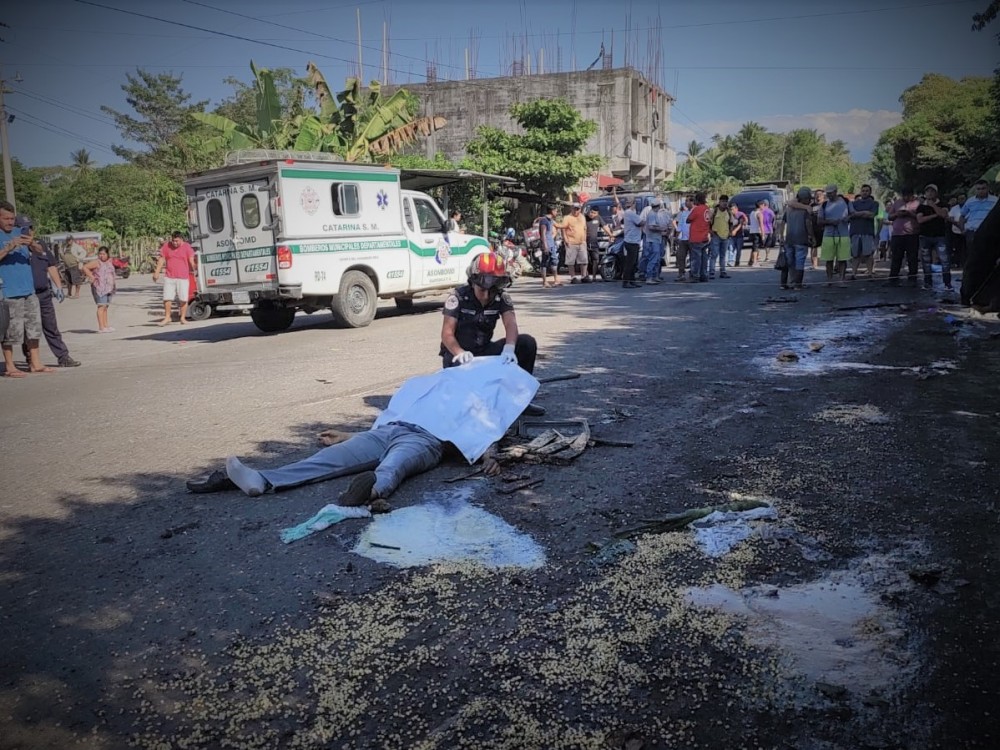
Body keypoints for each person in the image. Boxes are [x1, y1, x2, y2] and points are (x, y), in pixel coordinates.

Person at [187, 359, 539, 507]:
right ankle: (261, 479)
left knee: (393, 468)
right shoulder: (440, 380)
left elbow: (489, 425)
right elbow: (398, 408)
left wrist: (490, 453)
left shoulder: (487, 396)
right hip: (392, 429)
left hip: (426, 441)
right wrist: (347, 433)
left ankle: (369, 492)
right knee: (328, 458)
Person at [439, 250, 544, 416]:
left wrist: (509, 348)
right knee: (466, 406)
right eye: (483, 289)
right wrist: (459, 353)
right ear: (473, 281)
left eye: (493, 288)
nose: (487, 295)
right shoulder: (457, 297)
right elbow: (447, 333)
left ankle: (520, 401)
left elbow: (510, 323)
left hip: (484, 351)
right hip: (458, 356)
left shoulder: (501, 297)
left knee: (526, 343)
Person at [0, 201, 55, 378]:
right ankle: (10, 366)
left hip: (28, 290)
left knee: (33, 328)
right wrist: (8, 247)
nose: (9, 222)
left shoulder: (20, 232)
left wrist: (32, 244)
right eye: (5, 218)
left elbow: (41, 252)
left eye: (11, 218)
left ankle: (35, 363)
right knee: (10, 331)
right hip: (8, 291)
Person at [18, 216, 80, 367]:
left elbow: (51, 265)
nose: (29, 231)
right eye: (24, 228)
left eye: (31, 228)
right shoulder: (17, 249)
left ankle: (63, 357)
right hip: (26, 295)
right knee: (29, 330)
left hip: (44, 293)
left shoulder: (40, 245)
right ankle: (30, 357)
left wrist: (58, 286)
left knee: (51, 327)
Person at [152, 231, 196, 325]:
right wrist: (156, 273)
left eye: (177, 241)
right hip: (169, 276)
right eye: (173, 241)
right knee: (167, 297)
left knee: (183, 298)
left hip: (183, 277)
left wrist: (194, 267)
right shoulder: (166, 246)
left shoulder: (187, 247)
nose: (175, 243)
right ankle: (167, 317)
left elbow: (191, 260)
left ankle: (183, 318)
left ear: (181, 240)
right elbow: (161, 260)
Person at [915, 184, 953, 291]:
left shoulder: (943, 204)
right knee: (926, 261)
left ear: (936, 193)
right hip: (925, 236)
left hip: (940, 236)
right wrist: (935, 215)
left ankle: (947, 283)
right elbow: (920, 220)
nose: (930, 193)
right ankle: (928, 283)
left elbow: (944, 215)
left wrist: (933, 206)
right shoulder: (921, 206)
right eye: (928, 191)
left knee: (945, 260)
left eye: (932, 191)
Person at [780, 187, 815, 290]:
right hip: (801, 240)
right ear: (805, 199)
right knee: (800, 262)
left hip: (789, 239)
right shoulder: (806, 210)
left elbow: (782, 223)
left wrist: (781, 236)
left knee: (789, 262)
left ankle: (784, 284)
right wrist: (812, 237)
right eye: (808, 198)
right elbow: (808, 224)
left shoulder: (789, 209)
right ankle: (797, 285)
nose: (809, 201)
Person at [815, 184, 851, 284]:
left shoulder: (846, 202)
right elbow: (819, 221)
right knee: (828, 259)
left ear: (836, 191)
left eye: (831, 193)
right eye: (828, 193)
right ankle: (829, 280)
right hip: (828, 235)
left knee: (843, 259)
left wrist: (847, 218)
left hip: (843, 234)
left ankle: (841, 279)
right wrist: (830, 222)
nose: (829, 195)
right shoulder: (824, 205)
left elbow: (852, 214)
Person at [886, 187, 921, 286]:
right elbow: (889, 216)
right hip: (897, 234)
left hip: (912, 234)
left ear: (912, 195)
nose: (906, 197)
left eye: (908, 195)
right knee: (896, 257)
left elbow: (920, 217)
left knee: (912, 257)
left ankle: (912, 279)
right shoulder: (897, 203)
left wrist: (909, 213)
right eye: (904, 195)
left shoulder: (918, 203)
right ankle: (893, 278)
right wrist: (897, 214)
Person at [959, 179, 998, 260]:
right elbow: (962, 216)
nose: (981, 191)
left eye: (983, 188)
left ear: (988, 188)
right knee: (973, 256)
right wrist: (962, 229)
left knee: (990, 255)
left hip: (989, 231)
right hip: (972, 231)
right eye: (978, 189)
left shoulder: (995, 200)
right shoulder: (970, 201)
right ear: (975, 189)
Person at [847, 184, 879, 280]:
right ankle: (853, 273)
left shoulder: (874, 203)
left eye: (867, 191)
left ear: (870, 192)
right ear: (860, 192)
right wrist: (864, 213)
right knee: (855, 254)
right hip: (855, 231)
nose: (865, 192)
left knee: (868, 254)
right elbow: (850, 215)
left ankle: (869, 273)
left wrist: (857, 213)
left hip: (867, 232)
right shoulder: (853, 203)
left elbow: (871, 215)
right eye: (863, 190)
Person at [82, 246, 117, 332]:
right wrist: (91, 276)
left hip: (109, 288)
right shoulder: (97, 262)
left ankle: (106, 325)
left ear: (107, 254)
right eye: (100, 254)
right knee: (101, 306)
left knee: (105, 307)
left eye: (103, 254)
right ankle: (101, 327)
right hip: (99, 288)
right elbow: (84, 267)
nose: (102, 256)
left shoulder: (109, 262)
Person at [639, 197, 670, 284]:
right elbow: (651, 227)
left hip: (656, 239)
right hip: (653, 240)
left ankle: (654, 276)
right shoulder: (652, 214)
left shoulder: (654, 213)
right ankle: (649, 277)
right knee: (653, 258)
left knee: (656, 259)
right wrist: (661, 229)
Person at [555, 203, 588, 284]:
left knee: (584, 260)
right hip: (571, 242)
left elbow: (585, 228)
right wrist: (566, 240)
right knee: (571, 261)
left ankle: (584, 276)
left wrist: (585, 239)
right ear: (571, 209)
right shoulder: (567, 218)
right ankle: (573, 277)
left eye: (578, 209)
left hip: (582, 242)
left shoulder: (582, 217)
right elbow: (563, 228)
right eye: (575, 209)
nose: (576, 211)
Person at [686, 192, 711, 282]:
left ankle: (695, 275)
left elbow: (688, 219)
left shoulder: (697, 209)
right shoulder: (706, 209)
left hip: (696, 237)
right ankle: (704, 275)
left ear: (697, 200)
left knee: (695, 259)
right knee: (704, 258)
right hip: (705, 237)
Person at [707, 194, 733, 280]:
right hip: (716, 236)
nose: (724, 203)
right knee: (714, 255)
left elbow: (731, 223)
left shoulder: (729, 212)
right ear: (719, 202)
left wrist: (730, 232)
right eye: (723, 201)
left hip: (725, 236)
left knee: (723, 255)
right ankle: (711, 272)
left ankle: (723, 272)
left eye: (726, 201)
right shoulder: (714, 211)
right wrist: (710, 231)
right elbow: (708, 222)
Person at [620, 197, 644, 288]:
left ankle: (632, 280)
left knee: (633, 263)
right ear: (633, 204)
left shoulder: (630, 213)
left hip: (634, 240)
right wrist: (646, 220)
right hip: (631, 241)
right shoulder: (629, 213)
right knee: (630, 263)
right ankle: (626, 281)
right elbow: (640, 222)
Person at [585, 207, 612, 283]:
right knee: (585, 260)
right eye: (591, 212)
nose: (592, 214)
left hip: (594, 242)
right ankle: (586, 276)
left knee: (596, 259)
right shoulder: (584, 217)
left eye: (594, 213)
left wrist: (610, 235)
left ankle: (594, 277)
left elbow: (605, 227)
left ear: (597, 213)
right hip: (584, 242)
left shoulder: (598, 218)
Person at [537, 206, 562, 288]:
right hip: (546, 244)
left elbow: (558, 225)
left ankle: (556, 280)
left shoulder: (550, 220)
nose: (556, 213)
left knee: (554, 261)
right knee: (544, 262)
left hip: (551, 244)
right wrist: (545, 246)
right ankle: (544, 282)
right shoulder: (544, 221)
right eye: (555, 211)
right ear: (552, 211)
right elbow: (543, 234)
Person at [673, 196, 692, 282]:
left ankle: (693, 274)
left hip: (693, 238)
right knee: (681, 257)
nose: (686, 203)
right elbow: (679, 225)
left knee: (693, 257)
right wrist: (677, 236)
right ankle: (681, 274)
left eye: (687, 201)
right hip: (683, 239)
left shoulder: (695, 211)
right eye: (685, 201)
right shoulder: (683, 213)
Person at [947, 193, 966, 268]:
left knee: (965, 248)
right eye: (960, 199)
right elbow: (950, 218)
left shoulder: (968, 207)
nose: (961, 200)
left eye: (963, 198)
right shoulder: (954, 208)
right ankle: (957, 263)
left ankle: (964, 262)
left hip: (966, 230)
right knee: (957, 248)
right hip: (956, 231)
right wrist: (959, 225)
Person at [728, 202, 747, 267]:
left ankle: (737, 261)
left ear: (736, 209)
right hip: (731, 235)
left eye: (733, 209)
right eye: (731, 209)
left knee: (738, 249)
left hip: (739, 235)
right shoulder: (729, 215)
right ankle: (730, 261)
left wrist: (735, 231)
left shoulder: (740, 214)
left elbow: (741, 224)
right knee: (731, 248)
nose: (732, 211)